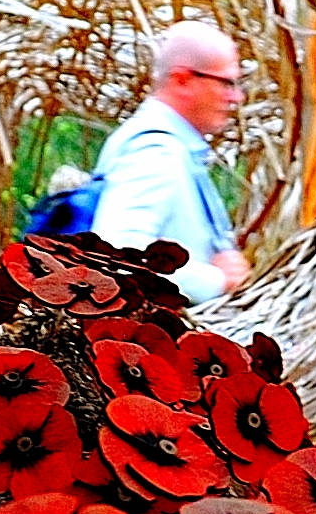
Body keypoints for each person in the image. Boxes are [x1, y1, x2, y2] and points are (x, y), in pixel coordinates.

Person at [91, 22, 251, 305]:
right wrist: (217, 280)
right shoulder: (155, 151)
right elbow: (116, 257)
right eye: (226, 82)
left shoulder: (168, 147)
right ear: (182, 81)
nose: (235, 97)